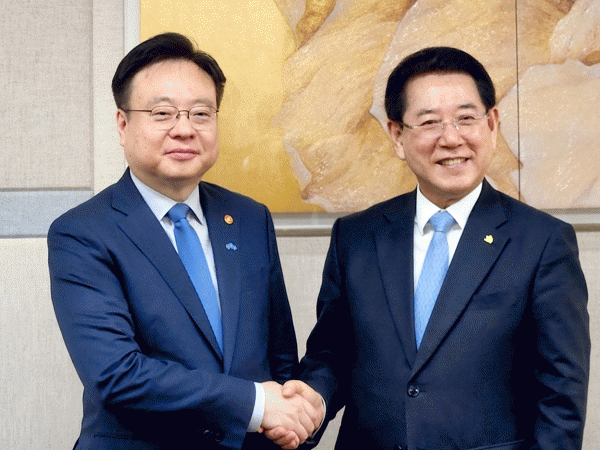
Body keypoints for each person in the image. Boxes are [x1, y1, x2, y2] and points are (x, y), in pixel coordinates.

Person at [277, 47, 590, 450]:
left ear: (492, 124)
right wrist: (310, 406)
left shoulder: (543, 242)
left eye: (466, 118)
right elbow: (331, 354)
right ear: (397, 135)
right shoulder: (356, 237)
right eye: (429, 122)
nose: (451, 138)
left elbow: (561, 397)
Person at [48, 32, 320, 450]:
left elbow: (279, 358)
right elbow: (116, 375)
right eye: (162, 113)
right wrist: (254, 405)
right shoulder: (83, 232)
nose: (184, 130)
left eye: (200, 114)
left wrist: (293, 422)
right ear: (123, 124)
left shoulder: (249, 218)